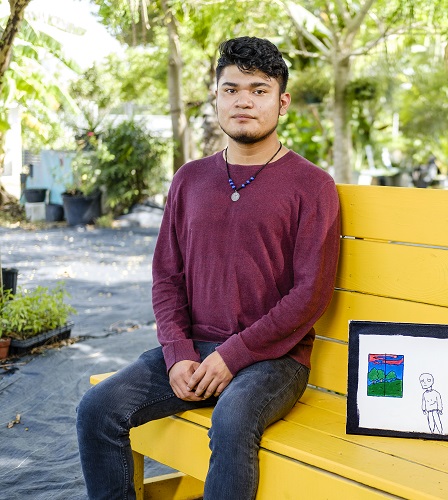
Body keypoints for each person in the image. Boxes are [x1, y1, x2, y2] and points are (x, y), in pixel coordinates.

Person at [76, 36, 341, 499]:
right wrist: (178, 352)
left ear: (282, 103)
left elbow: (310, 294)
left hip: (273, 360)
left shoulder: (312, 185)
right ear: (215, 98)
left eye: (259, 90)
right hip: (193, 350)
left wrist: (231, 356)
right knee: (97, 409)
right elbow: (167, 276)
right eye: (231, 88)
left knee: (233, 419)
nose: (243, 100)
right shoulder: (190, 178)